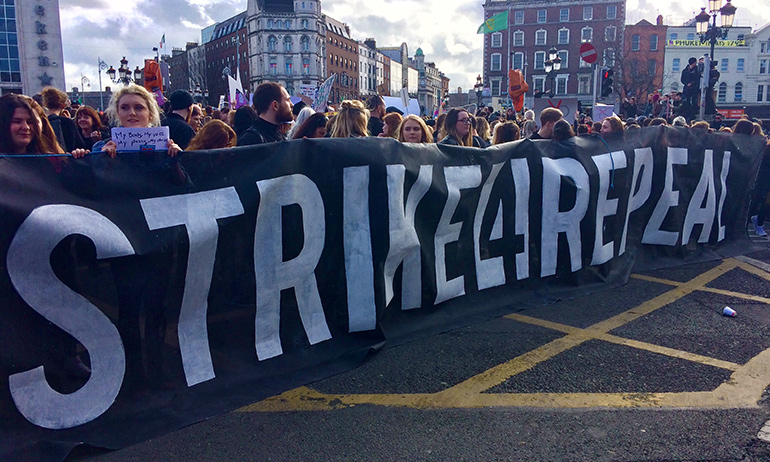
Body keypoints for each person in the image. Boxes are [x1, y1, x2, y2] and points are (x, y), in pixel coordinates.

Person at [41, 86, 85, 152]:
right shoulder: (67, 122)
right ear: (63, 105)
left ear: (45, 104)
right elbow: (79, 145)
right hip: (65, 159)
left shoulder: (40, 122)